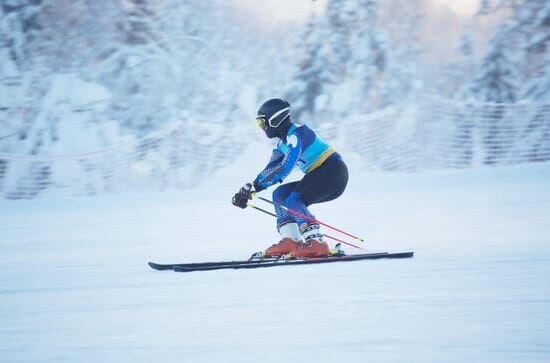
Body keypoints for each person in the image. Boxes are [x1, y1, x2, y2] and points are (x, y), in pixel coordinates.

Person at [232, 98, 349, 258]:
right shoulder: (281, 143)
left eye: (262, 123)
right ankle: (291, 240)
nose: (261, 128)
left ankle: (317, 243)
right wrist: (249, 190)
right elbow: (271, 168)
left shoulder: (298, 134)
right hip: (320, 174)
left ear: (274, 120)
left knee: (294, 200)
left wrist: (256, 187)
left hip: (333, 172)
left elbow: (284, 168)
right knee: (280, 195)